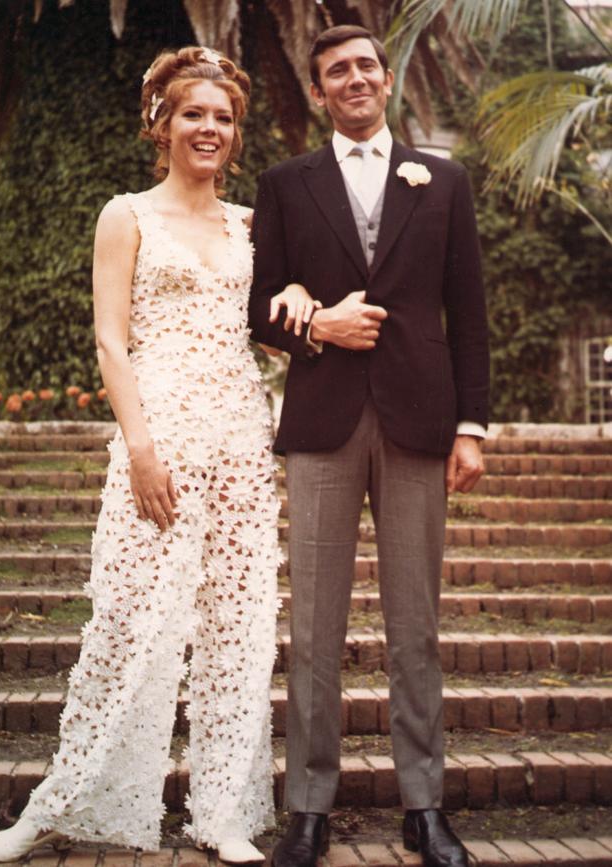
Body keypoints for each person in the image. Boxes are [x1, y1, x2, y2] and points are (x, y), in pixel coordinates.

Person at [0, 46, 316, 866]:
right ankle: (62, 802)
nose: (210, 128)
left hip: (238, 442)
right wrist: (140, 448)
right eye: (194, 113)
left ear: (236, 135)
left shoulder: (251, 225)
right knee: (128, 625)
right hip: (156, 443)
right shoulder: (125, 214)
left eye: (224, 118)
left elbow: (278, 313)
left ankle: (224, 811)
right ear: (160, 123)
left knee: (236, 629)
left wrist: (303, 299)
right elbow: (110, 341)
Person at [248, 24, 489, 867]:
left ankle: (425, 807)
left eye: (364, 66)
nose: (353, 79)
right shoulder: (285, 184)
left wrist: (472, 425)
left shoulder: (444, 180)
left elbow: (470, 310)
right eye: (335, 72)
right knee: (314, 629)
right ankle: (307, 810)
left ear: (387, 80)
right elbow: (258, 309)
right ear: (317, 93)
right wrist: (320, 323)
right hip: (323, 422)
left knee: (415, 626)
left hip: (422, 420)